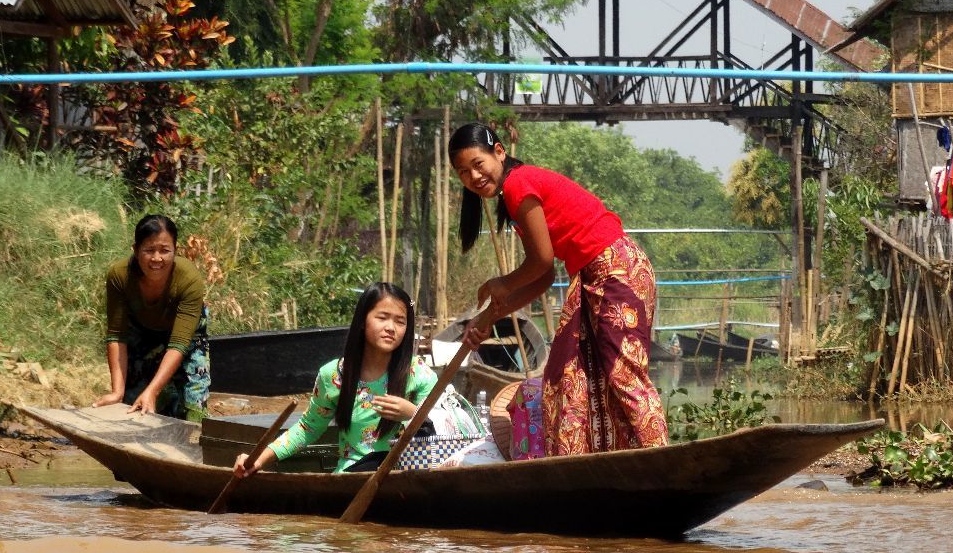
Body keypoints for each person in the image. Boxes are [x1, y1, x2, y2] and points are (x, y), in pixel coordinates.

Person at [448, 122, 669, 456]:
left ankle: (660, 459)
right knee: (568, 380)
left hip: (614, 268)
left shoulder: (519, 184)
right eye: (463, 172)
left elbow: (540, 261)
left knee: (624, 376)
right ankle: (605, 464)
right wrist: (490, 318)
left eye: (478, 165)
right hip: (593, 275)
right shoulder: (514, 195)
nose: (474, 177)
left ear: (499, 153)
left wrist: (499, 284)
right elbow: (545, 276)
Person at [232, 282, 438, 475]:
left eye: (400, 321)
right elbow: (308, 428)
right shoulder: (333, 375)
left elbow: (448, 426)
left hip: (404, 478)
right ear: (362, 322)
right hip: (353, 479)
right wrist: (259, 458)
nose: (391, 328)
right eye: (382, 317)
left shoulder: (418, 373)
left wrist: (413, 414)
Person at [92, 214, 210, 421]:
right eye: (149, 250)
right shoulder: (120, 276)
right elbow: (117, 336)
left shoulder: (189, 279)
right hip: (141, 331)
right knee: (132, 404)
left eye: (165, 251)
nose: (157, 259)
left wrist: (153, 390)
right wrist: (117, 391)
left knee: (192, 406)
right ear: (136, 250)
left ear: (175, 250)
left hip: (185, 337)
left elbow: (179, 344)